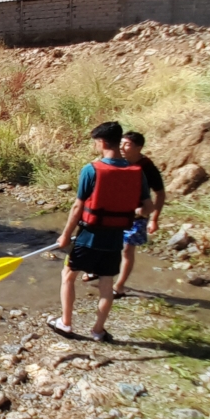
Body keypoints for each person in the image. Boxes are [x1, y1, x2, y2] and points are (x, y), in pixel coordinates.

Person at [53, 122, 153, 342]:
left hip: (88, 237)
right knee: (107, 286)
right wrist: (129, 213)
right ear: (119, 142)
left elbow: (78, 207)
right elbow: (147, 208)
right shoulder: (137, 172)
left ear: (101, 142)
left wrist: (64, 234)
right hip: (115, 240)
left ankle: (66, 324)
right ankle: (98, 330)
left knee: (68, 276)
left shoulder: (92, 169)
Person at [112, 131, 166, 296]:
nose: (121, 147)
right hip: (116, 212)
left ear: (138, 147)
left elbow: (160, 193)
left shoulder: (147, 167)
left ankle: (119, 286)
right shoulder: (118, 161)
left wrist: (154, 219)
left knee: (127, 249)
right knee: (108, 245)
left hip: (138, 215)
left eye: (126, 144)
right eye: (120, 143)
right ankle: (99, 274)